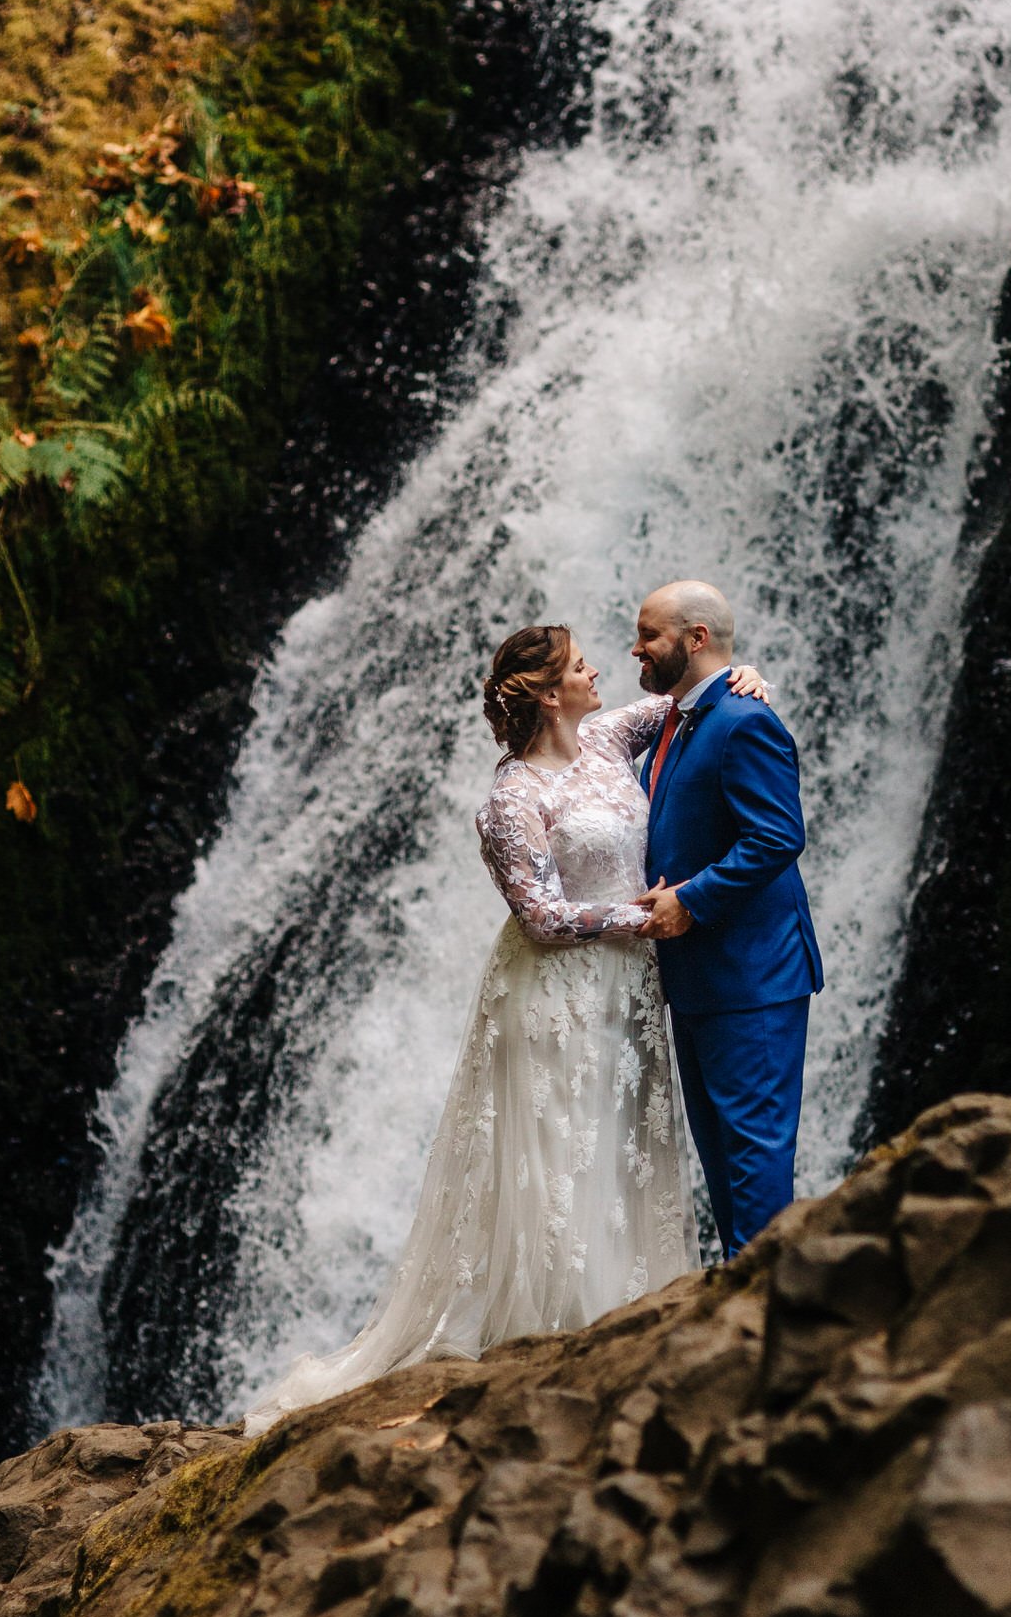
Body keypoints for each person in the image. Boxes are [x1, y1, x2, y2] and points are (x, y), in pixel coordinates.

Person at [242, 623, 770, 1432]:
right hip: (557, 992)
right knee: (564, 1153)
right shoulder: (511, 799)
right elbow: (540, 916)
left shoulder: (606, 736)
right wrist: (637, 915)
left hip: (629, 989)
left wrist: (744, 677)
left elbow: (682, 704)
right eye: (582, 665)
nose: (600, 670)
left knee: (621, 1145)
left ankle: (626, 1322)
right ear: (551, 694)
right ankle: (558, 1341)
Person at [632, 580, 822, 1260]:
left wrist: (691, 898)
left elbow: (777, 836)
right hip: (699, 976)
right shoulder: (676, 720)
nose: (637, 648)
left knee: (754, 1154)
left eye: (649, 635)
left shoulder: (747, 721)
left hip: (753, 976)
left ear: (696, 639)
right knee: (722, 1153)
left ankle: (771, 1312)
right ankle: (746, 1300)